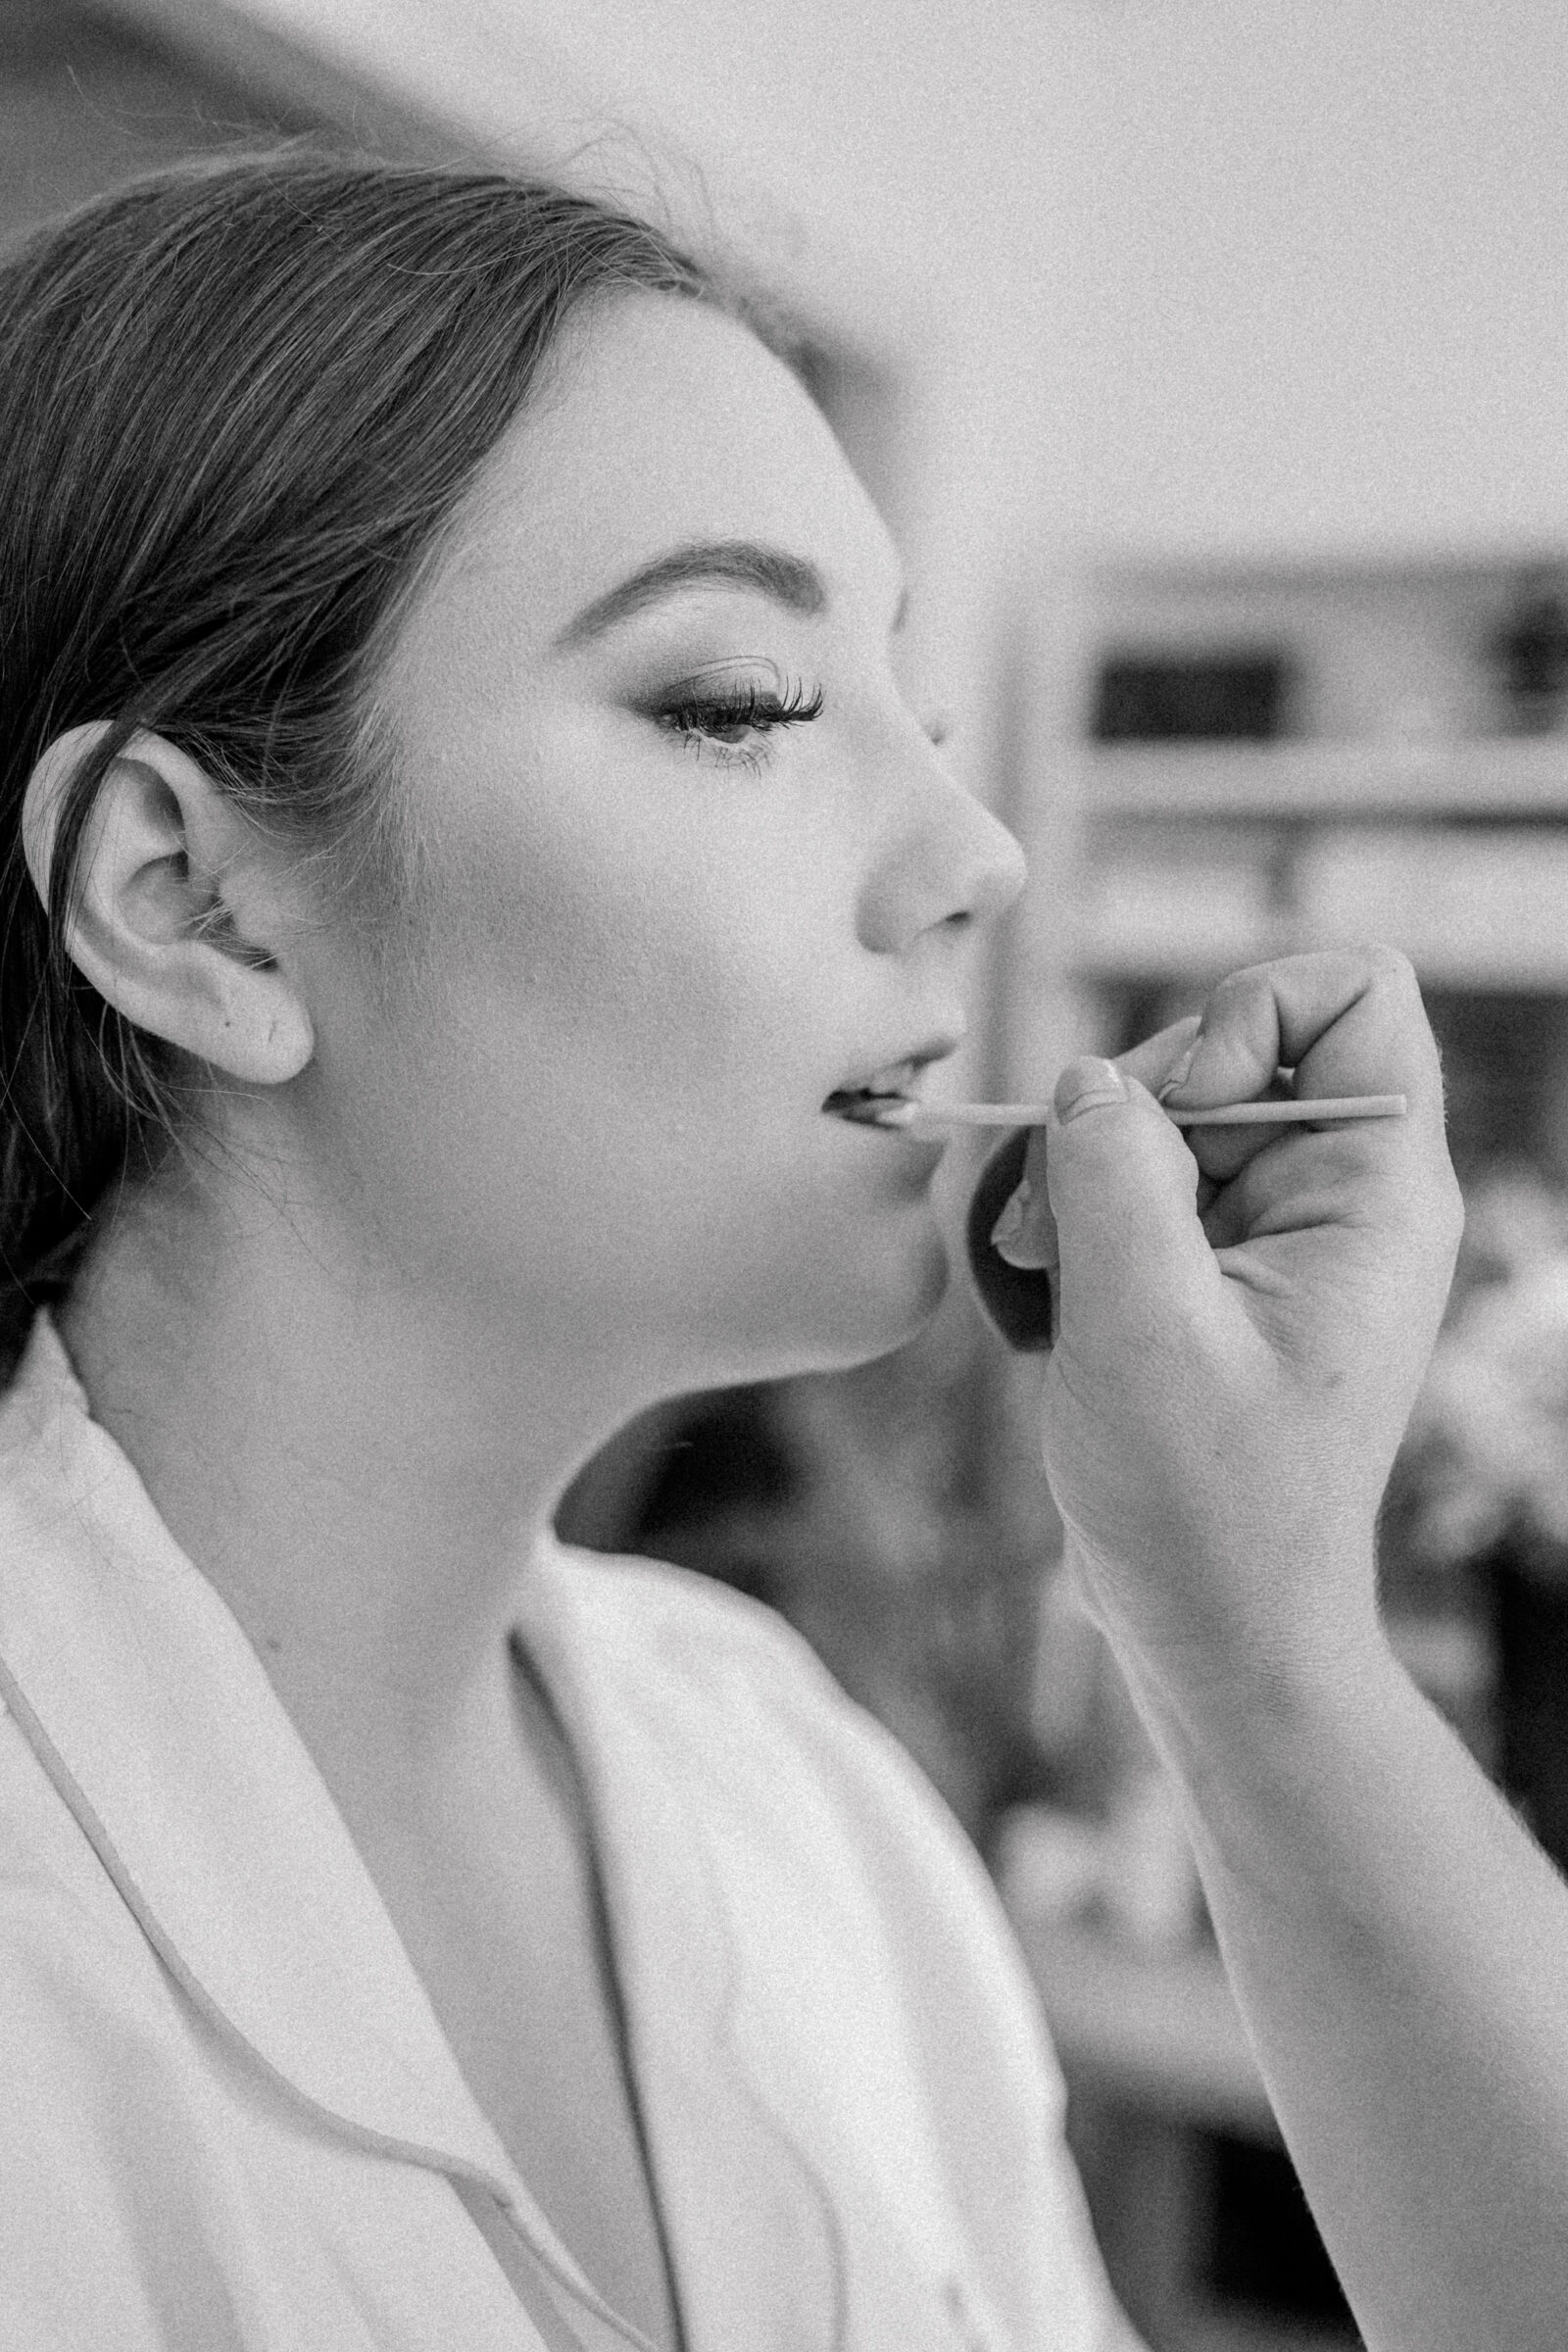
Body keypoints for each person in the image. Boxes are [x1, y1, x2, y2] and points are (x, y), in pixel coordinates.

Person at [0, 149, 1560, 2352]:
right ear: (193, 901)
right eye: (738, 701)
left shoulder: (802, 1803)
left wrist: (1259, 1649)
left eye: (906, 697)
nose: (978, 849)